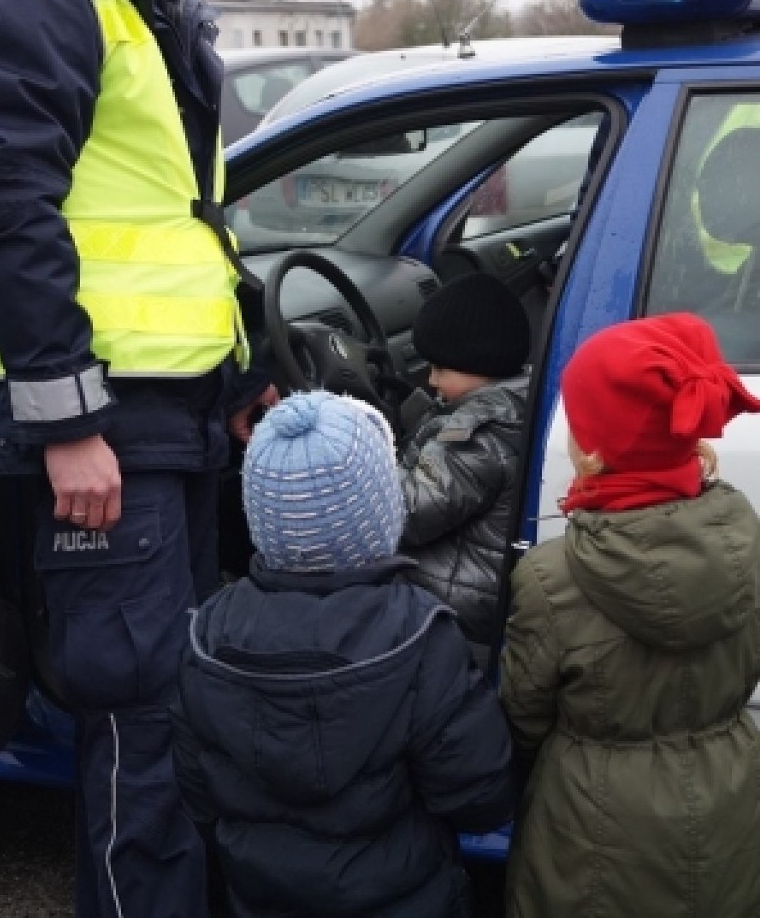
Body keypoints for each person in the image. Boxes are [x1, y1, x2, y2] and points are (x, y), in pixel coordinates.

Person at [0, 0, 276, 918]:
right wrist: (67, 416)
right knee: (138, 714)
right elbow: (5, 213)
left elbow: (179, 218)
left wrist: (248, 372)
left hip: (171, 413)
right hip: (105, 423)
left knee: (176, 698)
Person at [173, 390, 518, 918]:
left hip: (258, 895)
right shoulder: (420, 634)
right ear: (380, 512)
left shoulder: (207, 632)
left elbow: (196, 794)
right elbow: (479, 797)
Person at [500, 312, 760, 918]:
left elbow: (523, 714)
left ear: (591, 450)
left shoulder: (551, 578)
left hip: (591, 823)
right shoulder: (747, 543)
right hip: (730, 798)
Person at [398, 271, 530, 665]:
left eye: (442, 369)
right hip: (475, 585)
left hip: (455, 608)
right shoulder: (517, 399)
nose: (431, 379)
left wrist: (372, 461)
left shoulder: (476, 435)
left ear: (482, 364)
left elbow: (409, 514)